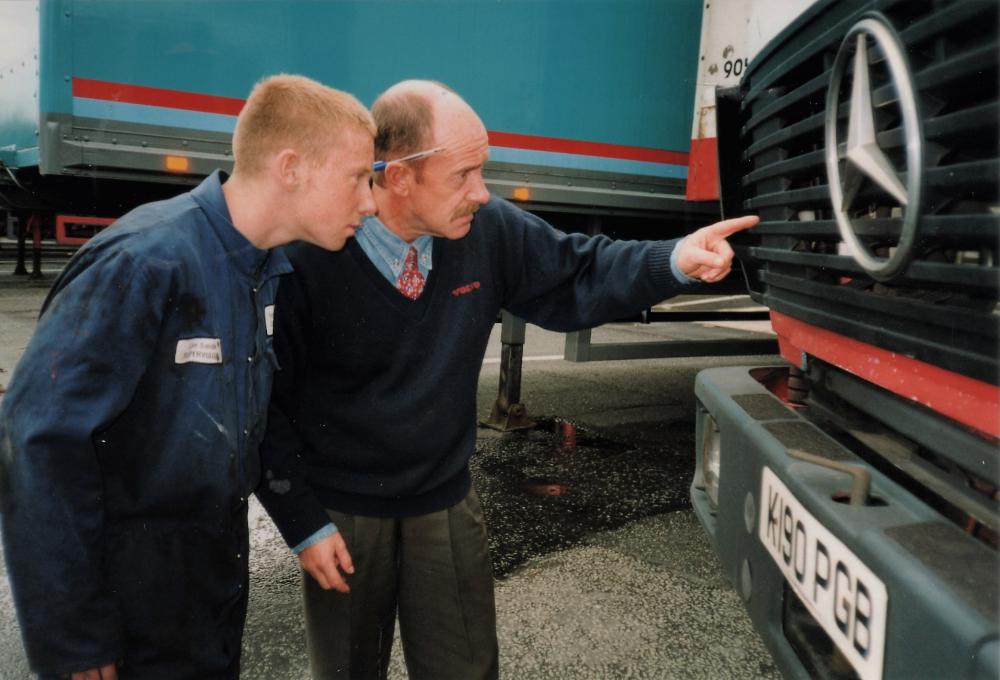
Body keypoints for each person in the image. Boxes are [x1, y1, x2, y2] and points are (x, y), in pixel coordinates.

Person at [255, 79, 759, 680]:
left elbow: (579, 272)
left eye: (482, 170)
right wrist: (302, 523)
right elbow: (265, 407)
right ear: (397, 178)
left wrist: (675, 259)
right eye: (463, 174)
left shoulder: (489, 231)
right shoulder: (310, 254)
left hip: (443, 498)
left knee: (466, 666)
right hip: (342, 512)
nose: (482, 192)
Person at [0, 74, 376, 680]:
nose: (371, 200)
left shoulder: (263, 271)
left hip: (205, 599)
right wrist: (74, 638)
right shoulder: (144, 263)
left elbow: (249, 421)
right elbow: (39, 447)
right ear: (292, 168)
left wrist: (302, 523)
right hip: (127, 619)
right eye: (359, 177)